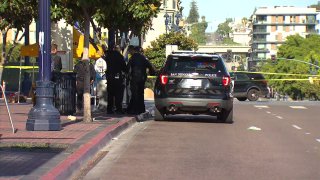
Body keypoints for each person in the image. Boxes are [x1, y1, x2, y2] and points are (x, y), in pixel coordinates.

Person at [127, 46, 156, 115]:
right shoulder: (143, 58)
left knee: (134, 93)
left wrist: (128, 76)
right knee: (140, 93)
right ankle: (140, 109)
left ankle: (134, 109)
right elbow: (150, 66)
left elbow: (127, 68)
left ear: (134, 50)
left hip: (134, 78)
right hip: (142, 78)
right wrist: (152, 73)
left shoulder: (132, 58)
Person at [105, 45, 127, 114]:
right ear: (119, 49)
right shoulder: (120, 56)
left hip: (109, 77)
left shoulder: (108, 56)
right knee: (118, 94)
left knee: (110, 94)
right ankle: (118, 108)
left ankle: (109, 109)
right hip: (117, 76)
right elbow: (124, 67)